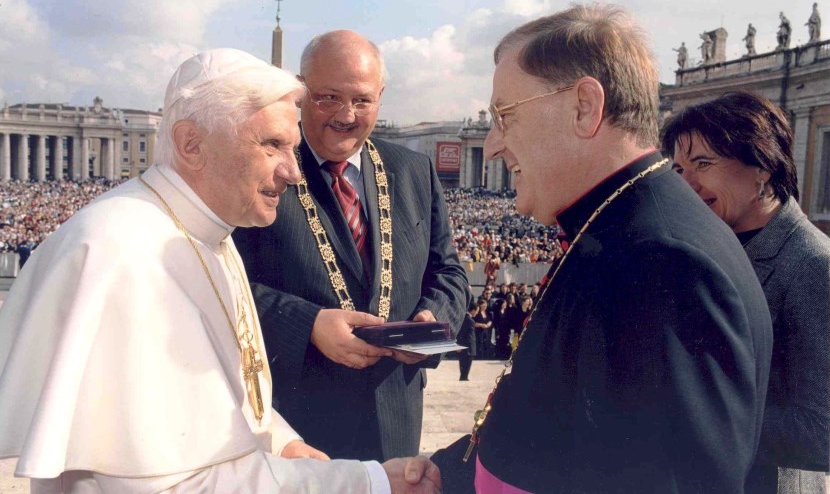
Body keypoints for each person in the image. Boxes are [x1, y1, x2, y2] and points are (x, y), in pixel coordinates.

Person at [0, 48, 440, 493]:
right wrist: (369, 482)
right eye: (272, 145)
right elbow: (179, 482)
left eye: (291, 146)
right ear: (192, 145)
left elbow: (221, 397)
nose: (294, 172)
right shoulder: (123, 256)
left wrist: (281, 440)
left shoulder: (211, 233)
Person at [434, 4, 773, 492]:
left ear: (584, 107)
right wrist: (447, 474)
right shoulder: (616, 229)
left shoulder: (661, 263)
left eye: (504, 115)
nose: (491, 145)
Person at [233, 30, 469, 462]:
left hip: (396, 412)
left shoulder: (414, 170)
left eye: (362, 100)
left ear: (381, 95)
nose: (346, 115)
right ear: (300, 92)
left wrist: (432, 320)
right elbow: (228, 284)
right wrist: (308, 325)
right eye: (327, 98)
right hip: (298, 421)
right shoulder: (262, 168)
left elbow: (449, 271)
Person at [661, 90, 830, 494]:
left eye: (703, 163)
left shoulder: (813, 265)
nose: (687, 184)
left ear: (762, 167)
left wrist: (692, 411)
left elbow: (822, 432)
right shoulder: (711, 243)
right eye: (680, 169)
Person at [456, 303, 478, 381]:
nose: (477, 313)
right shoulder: (469, 320)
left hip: (463, 345)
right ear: (473, 310)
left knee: (463, 362)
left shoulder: (464, 318)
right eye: (476, 311)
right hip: (468, 345)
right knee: (467, 362)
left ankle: (463, 376)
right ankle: (464, 377)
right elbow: (462, 333)